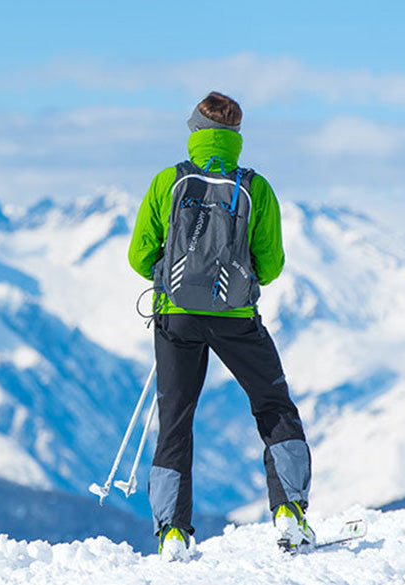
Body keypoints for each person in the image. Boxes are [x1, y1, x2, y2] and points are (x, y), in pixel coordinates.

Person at [127, 91, 314, 561]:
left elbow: (139, 255)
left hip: (176, 316)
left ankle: (172, 532)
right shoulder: (255, 187)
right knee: (272, 405)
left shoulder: (168, 182)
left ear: (194, 131)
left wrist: (173, 278)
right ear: (237, 136)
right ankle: (289, 511)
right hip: (236, 318)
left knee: (175, 420)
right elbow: (271, 265)